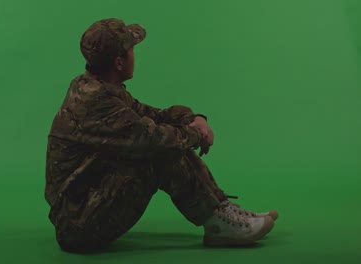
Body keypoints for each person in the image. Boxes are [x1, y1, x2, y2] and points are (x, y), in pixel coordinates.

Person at [45, 18, 278, 253]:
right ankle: (218, 221)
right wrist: (196, 135)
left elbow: (149, 115)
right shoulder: (95, 101)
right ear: (118, 62)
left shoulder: (96, 86)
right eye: (132, 50)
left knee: (166, 142)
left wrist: (193, 119)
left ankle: (219, 210)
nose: (135, 55)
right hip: (78, 226)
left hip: (85, 210)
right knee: (160, 153)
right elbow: (152, 139)